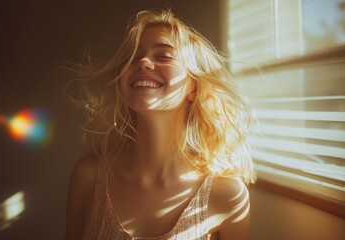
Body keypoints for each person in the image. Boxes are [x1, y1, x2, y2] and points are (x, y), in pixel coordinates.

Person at [66, 9, 256, 240]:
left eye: (164, 56)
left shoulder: (227, 195)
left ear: (194, 88)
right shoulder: (88, 176)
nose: (143, 62)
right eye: (133, 57)